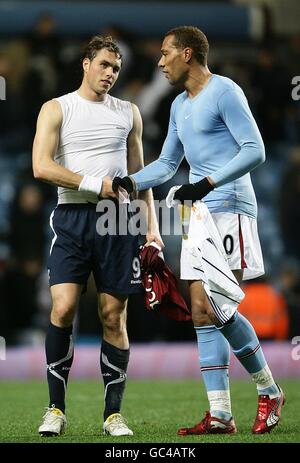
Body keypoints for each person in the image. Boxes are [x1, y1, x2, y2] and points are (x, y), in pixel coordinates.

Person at [112, 26, 285, 435]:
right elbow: (168, 164)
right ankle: (221, 413)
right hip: (198, 214)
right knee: (202, 313)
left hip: (230, 208)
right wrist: (132, 181)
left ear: (187, 54)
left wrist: (207, 184)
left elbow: (255, 150)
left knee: (220, 308)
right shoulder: (177, 106)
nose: (159, 61)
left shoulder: (225, 91)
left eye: (165, 53)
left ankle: (269, 389)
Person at [32, 35, 162, 437]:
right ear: (86, 63)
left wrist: (153, 229)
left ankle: (113, 414)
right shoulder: (56, 108)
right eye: (104, 64)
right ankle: (55, 409)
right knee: (63, 308)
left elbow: (141, 179)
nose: (110, 73)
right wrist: (96, 184)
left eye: (116, 69)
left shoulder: (129, 112)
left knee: (113, 316)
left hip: (117, 220)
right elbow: (41, 166)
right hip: (71, 216)